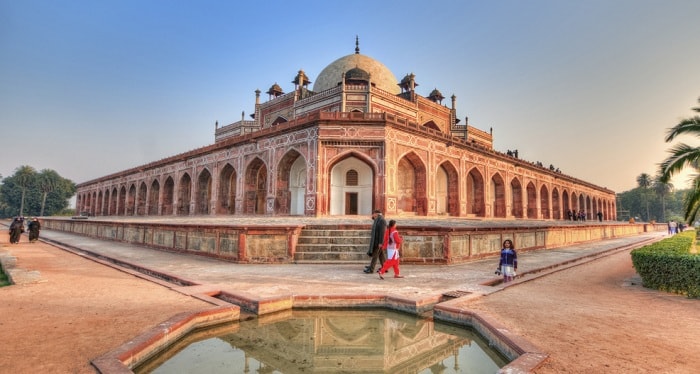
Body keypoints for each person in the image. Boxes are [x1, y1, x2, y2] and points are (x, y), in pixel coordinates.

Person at [363, 209, 387, 274]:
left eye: (373, 214)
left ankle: (371, 269)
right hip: (376, 241)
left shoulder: (382, 220)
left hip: (378, 242)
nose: (372, 215)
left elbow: (382, 232)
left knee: (375, 255)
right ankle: (385, 267)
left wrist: (380, 242)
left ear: (376, 214)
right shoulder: (377, 220)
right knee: (381, 255)